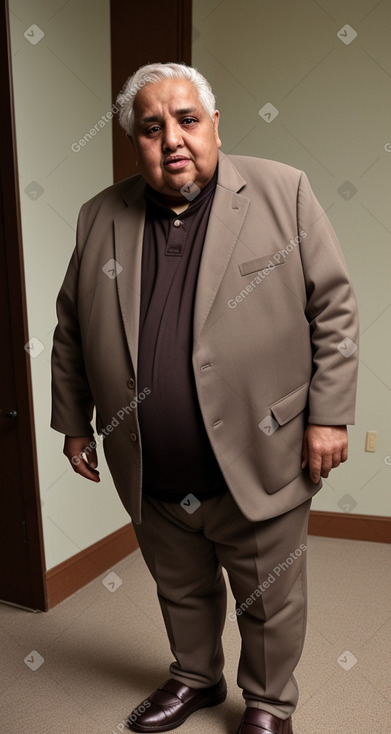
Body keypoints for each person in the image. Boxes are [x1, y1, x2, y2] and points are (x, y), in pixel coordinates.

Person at [51, 62, 359, 734]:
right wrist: (74, 422)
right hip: (150, 464)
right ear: (135, 140)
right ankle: (194, 676)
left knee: (267, 597)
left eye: (186, 120)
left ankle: (268, 703)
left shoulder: (284, 192)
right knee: (179, 588)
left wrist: (329, 415)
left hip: (259, 454)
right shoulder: (100, 216)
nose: (173, 140)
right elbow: (71, 327)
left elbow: (333, 309)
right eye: (152, 127)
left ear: (214, 124)